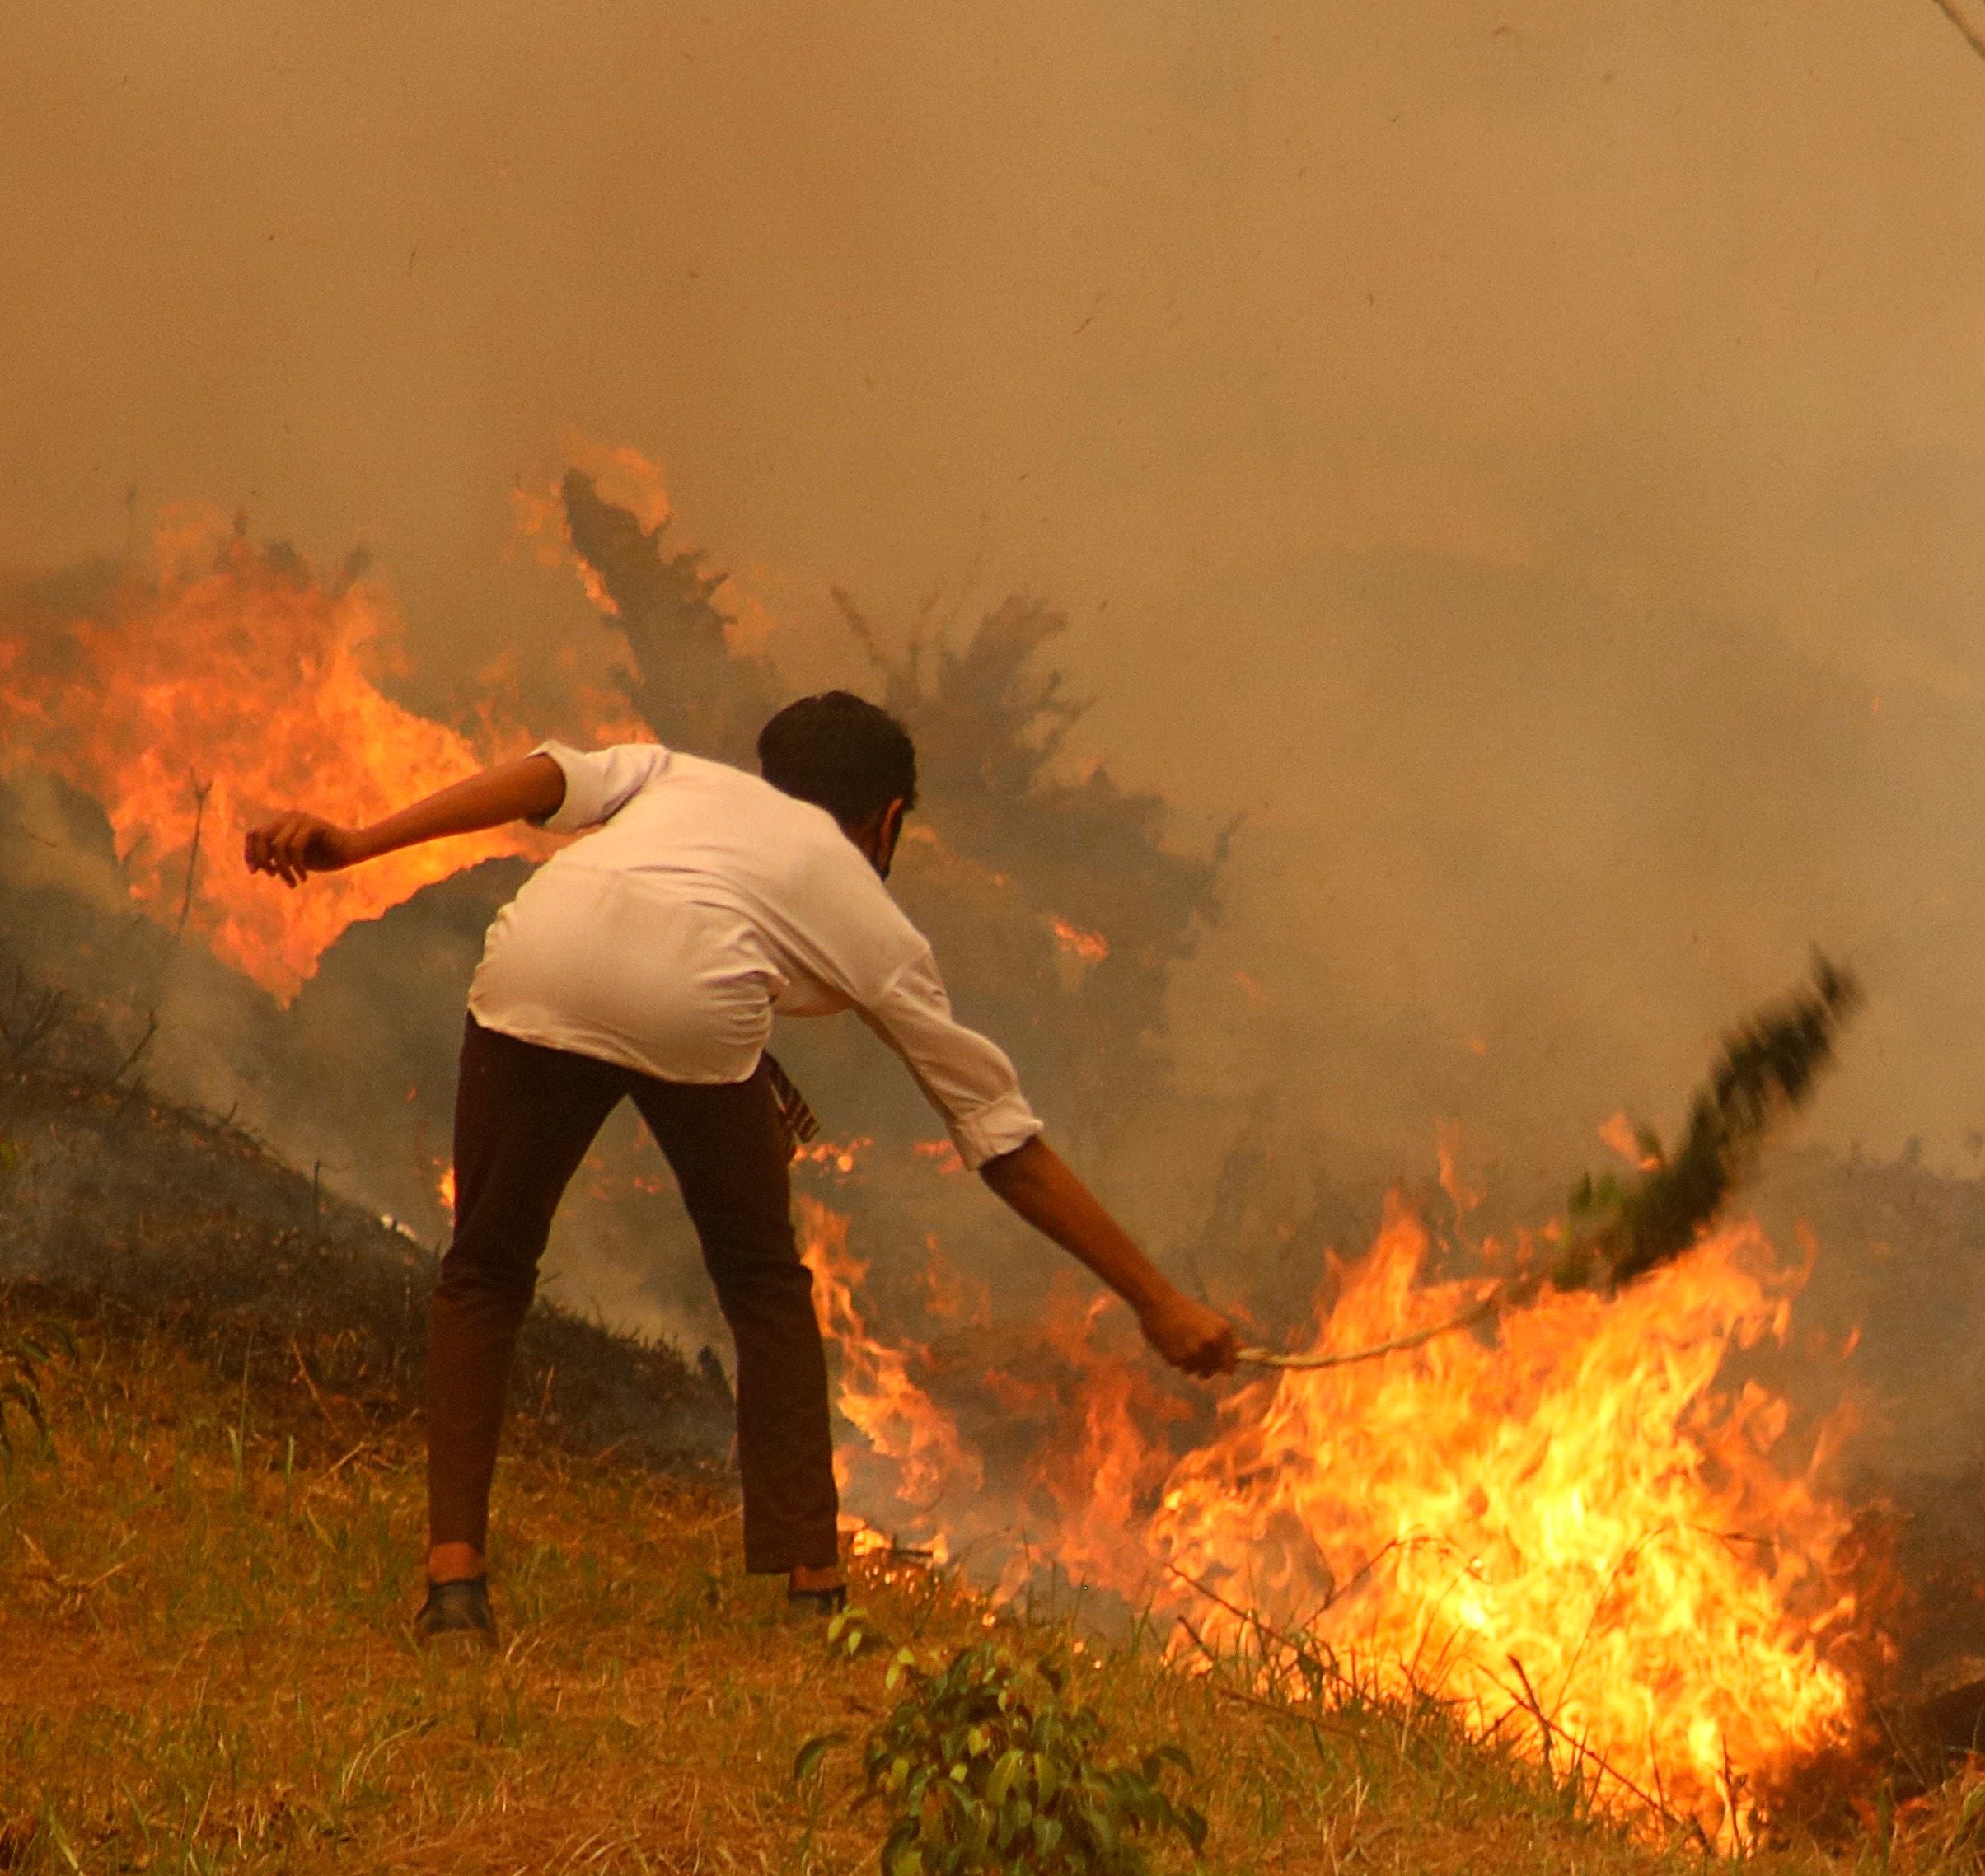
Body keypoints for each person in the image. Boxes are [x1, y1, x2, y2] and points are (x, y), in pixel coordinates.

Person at [244, 692, 1243, 1644]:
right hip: (694, 1005)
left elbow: (544, 775)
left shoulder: (674, 775)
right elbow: (1000, 1137)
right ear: (885, 820)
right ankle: (814, 1589)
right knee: (764, 1281)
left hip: (537, 960)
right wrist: (1155, 1297)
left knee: (485, 1271)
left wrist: (360, 842)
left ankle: (455, 1583)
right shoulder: (865, 901)